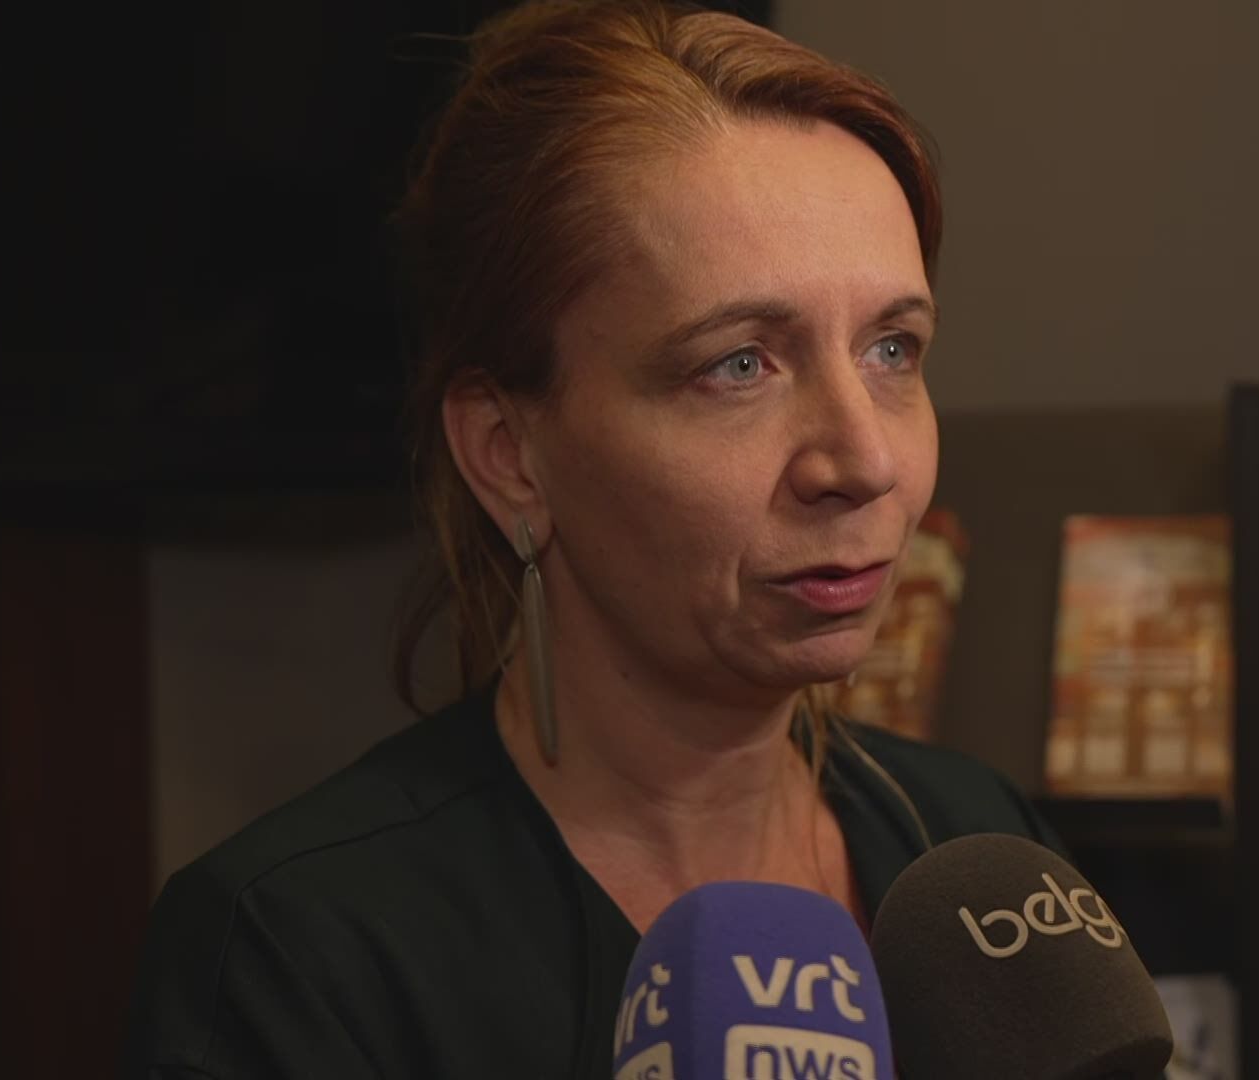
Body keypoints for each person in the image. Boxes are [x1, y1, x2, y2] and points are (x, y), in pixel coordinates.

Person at [121, 1, 1065, 1076]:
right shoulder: (297, 957)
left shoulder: (977, 851)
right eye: (739, 365)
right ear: (510, 454)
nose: (864, 461)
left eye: (892, 349)